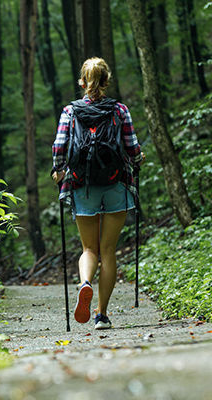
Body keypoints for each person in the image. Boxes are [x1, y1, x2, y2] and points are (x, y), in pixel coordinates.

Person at [51, 57, 143, 330]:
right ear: (107, 81)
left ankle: (85, 283)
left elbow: (59, 146)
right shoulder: (120, 110)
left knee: (89, 248)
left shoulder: (70, 111)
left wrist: (58, 171)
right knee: (109, 251)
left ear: (82, 82)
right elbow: (131, 147)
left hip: (82, 184)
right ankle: (101, 315)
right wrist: (139, 159)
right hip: (115, 184)